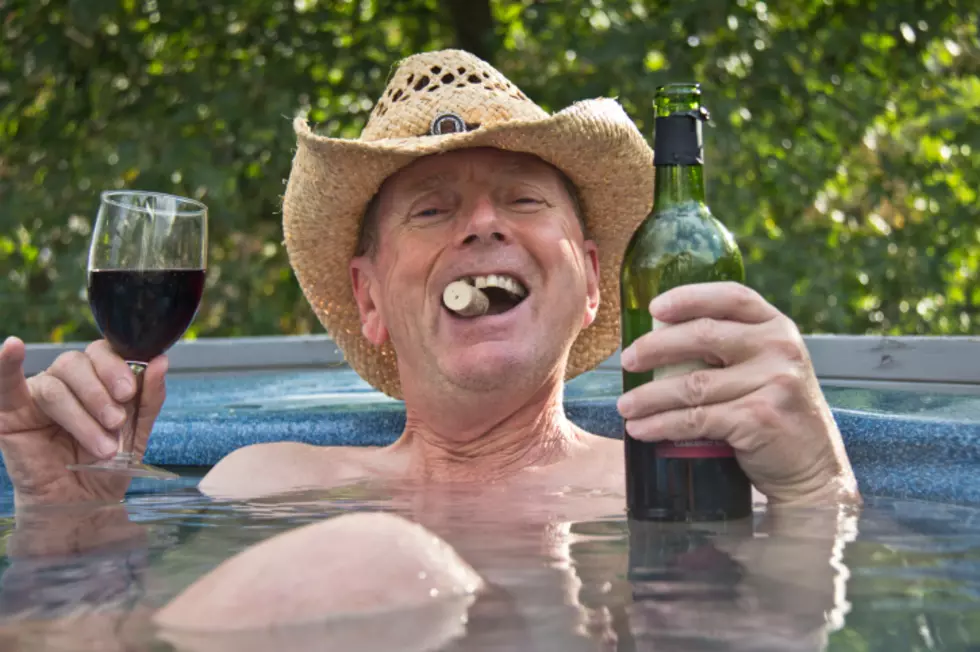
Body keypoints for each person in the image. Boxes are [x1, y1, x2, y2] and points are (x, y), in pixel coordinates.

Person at [0, 49, 861, 637]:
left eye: (523, 200)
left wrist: (820, 486)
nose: (483, 226)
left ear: (596, 279)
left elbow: (791, 621)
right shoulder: (263, 480)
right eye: (432, 209)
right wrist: (69, 512)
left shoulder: (693, 487)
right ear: (370, 298)